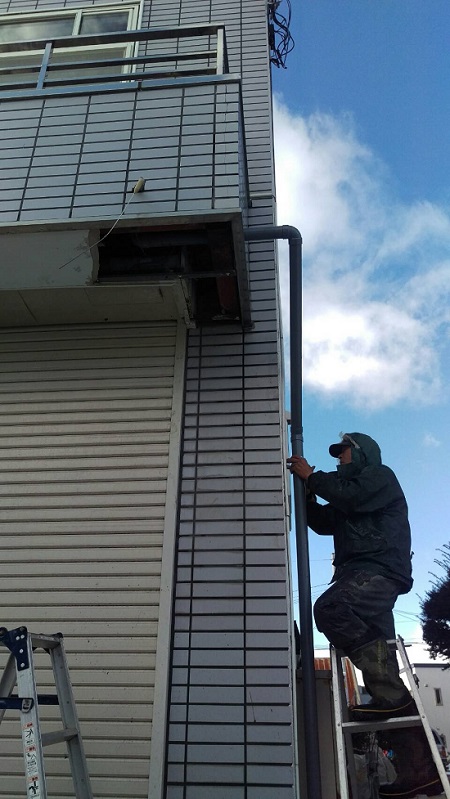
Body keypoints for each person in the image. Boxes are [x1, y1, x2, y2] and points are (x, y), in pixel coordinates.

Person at [287, 432, 414, 719]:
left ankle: (392, 695)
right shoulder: (349, 496)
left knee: (332, 608)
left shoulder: (379, 476)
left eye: (343, 451)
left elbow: (352, 496)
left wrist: (312, 478)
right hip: (361, 572)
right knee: (378, 638)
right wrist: (309, 496)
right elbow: (322, 522)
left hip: (378, 569)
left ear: (360, 453)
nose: (339, 457)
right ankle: (393, 701)